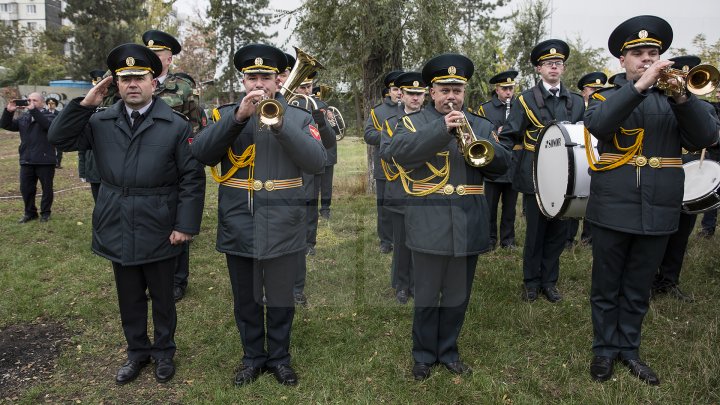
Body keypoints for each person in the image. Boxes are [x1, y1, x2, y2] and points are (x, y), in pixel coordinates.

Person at [47, 43, 206, 385]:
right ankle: (137, 352)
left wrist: (185, 224)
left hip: (160, 222)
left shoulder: (174, 125)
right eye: (125, 78)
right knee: (129, 295)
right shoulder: (100, 120)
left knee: (163, 297)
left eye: (139, 77)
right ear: (116, 85)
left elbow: (192, 177)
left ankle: (164, 352)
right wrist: (84, 104)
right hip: (116, 218)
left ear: (153, 82)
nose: (133, 84)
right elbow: (59, 138)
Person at [584, 16, 717, 385]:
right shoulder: (605, 96)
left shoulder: (680, 97)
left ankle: (629, 349)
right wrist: (640, 86)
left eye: (653, 53)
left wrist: (681, 97)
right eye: (638, 54)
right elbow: (599, 126)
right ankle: (603, 350)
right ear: (622, 61)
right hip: (614, 204)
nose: (646, 59)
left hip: (660, 205)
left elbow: (707, 134)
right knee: (607, 284)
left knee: (639, 284)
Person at [190, 43, 327, 386]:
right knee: (247, 300)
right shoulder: (223, 114)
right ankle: (252, 357)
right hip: (240, 220)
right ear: (243, 80)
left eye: (265, 76)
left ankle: (279, 357)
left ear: (279, 79)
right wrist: (237, 118)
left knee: (281, 299)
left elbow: (316, 161)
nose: (258, 84)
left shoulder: (299, 116)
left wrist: (281, 125)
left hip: (284, 222)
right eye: (252, 77)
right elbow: (203, 153)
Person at [386, 53, 511, 381]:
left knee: (458, 294)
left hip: (469, 218)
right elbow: (399, 152)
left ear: (464, 92)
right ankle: (424, 355)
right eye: (444, 89)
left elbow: (504, 165)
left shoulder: (481, 123)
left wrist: (488, 147)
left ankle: (449, 351)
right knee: (427, 294)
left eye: (457, 89)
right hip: (429, 218)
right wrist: (442, 130)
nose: (451, 96)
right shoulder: (413, 122)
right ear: (431, 92)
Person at [502, 39, 585, 303]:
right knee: (535, 233)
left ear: (563, 68)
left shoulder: (575, 101)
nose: (554, 67)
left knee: (558, 233)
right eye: (548, 64)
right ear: (539, 69)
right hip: (535, 176)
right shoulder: (525, 100)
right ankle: (530, 282)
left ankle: (549, 281)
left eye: (558, 63)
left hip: (567, 177)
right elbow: (512, 136)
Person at [652, 55, 720, 302]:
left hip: (691, 177)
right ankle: (648, 281)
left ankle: (669, 281)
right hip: (663, 173)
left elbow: (714, 138)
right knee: (656, 233)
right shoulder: (660, 104)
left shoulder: (705, 108)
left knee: (682, 233)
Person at [142, 29, 198, 302]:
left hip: (175, 160)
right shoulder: (134, 82)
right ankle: (146, 275)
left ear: (169, 59)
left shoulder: (181, 85)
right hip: (142, 161)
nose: (151, 58)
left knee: (176, 219)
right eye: (147, 54)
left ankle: (177, 280)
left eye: (156, 54)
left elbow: (190, 119)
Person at [378, 71, 426, 304]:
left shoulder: (433, 121)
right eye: (411, 93)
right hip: (399, 188)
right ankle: (401, 285)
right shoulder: (390, 123)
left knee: (422, 241)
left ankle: (418, 283)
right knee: (401, 242)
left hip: (426, 189)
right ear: (401, 95)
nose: (415, 98)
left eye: (419, 94)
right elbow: (386, 154)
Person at [477, 70, 520, 249]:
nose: (508, 92)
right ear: (497, 89)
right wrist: (495, 133)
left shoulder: (520, 106)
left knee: (510, 207)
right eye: (505, 88)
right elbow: (479, 131)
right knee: (490, 205)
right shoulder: (485, 108)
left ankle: (508, 240)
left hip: (513, 161)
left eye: (511, 88)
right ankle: (489, 239)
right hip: (493, 162)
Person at [566, 71, 607, 248]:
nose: (596, 92)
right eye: (592, 89)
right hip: (577, 157)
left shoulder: (606, 106)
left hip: (598, 156)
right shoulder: (576, 106)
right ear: (584, 92)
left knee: (593, 196)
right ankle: (569, 237)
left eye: (599, 89)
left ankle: (588, 237)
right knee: (575, 192)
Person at [1, 93, 57, 223]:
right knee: (26, 189)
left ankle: (45, 213)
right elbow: (6, 125)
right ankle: (30, 213)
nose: (31, 102)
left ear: (42, 103)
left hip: (45, 160)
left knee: (47, 188)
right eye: (29, 100)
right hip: (27, 159)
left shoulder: (51, 115)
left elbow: (48, 126)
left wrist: (33, 110)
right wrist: (9, 111)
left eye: (34, 100)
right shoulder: (24, 117)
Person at [365, 70, 403, 255]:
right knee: (384, 206)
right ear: (389, 91)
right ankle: (386, 241)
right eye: (396, 89)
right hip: (385, 167)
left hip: (410, 166)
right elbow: (368, 135)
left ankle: (404, 237)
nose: (399, 93)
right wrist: (388, 134)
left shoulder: (416, 109)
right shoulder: (378, 111)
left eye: (402, 89)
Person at [313, 85, 338, 221]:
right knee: (314, 182)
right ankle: (315, 208)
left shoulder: (329, 112)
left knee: (326, 183)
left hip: (329, 152)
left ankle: (325, 209)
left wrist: (331, 119)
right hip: (315, 151)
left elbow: (338, 132)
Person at [45, 97, 63, 168]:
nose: (50, 105)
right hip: (46, 133)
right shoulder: (43, 113)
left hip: (57, 134)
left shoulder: (59, 114)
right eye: (49, 103)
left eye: (52, 103)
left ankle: (58, 163)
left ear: (56, 104)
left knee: (59, 149)